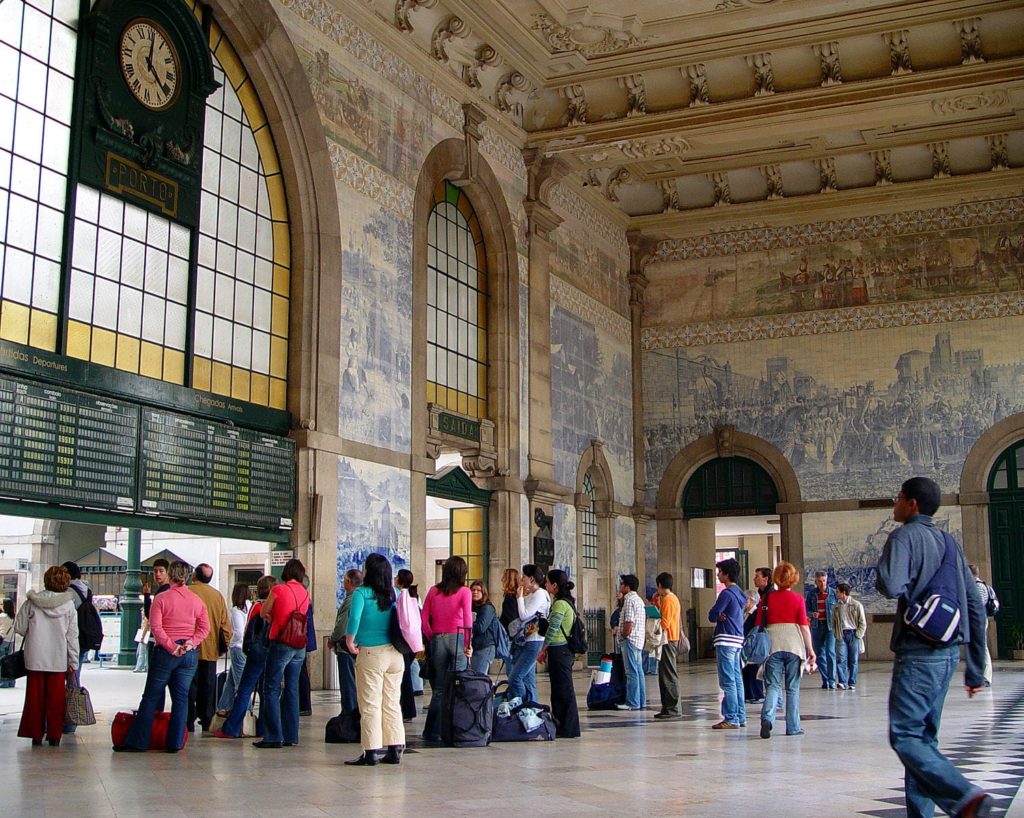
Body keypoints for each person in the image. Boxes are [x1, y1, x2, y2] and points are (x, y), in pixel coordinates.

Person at [876, 476, 991, 818]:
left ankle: (964, 794)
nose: (894, 504)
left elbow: (890, 585)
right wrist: (974, 667)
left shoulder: (902, 537)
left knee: (906, 736)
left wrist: (889, 564)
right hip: (946, 654)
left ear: (912, 504)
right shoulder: (948, 542)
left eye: (898, 498)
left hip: (917, 653)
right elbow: (973, 604)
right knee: (923, 742)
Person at [115, 560, 209, 753]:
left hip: (166, 653)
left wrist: (172, 647)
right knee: (181, 698)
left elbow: (156, 628)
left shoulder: (162, 598)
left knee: (150, 697)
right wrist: (189, 643)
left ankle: (139, 742)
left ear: (171, 575)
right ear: (189, 576)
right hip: (189, 654)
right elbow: (204, 628)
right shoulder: (196, 600)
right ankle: (175, 743)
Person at [344, 553, 405, 766]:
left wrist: (350, 641)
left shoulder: (361, 593)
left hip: (371, 654)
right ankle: (395, 749)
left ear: (368, 571)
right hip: (396, 655)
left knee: (370, 704)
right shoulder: (394, 593)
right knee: (392, 702)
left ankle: (370, 752)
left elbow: (355, 618)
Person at [14, 566, 78, 745]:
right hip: (58, 660)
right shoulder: (69, 605)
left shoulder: (32, 601)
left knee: (34, 699)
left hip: (35, 658)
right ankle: (54, 736)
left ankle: (35, 735)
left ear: (46, 580)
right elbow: (72, 636)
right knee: (56, 700)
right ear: (65, 582)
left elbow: (19, 628)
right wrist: (73, 661)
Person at [255, 558, 309, 749]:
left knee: (271, 688)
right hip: (299, 644)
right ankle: (291, 735)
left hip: (281, 642)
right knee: (292, 689)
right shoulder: (305, 593)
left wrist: (274, 617)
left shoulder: (278, 590)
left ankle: (273, 736)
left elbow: (263, 613)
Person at [758, 561, 816, 739]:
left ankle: (767, 718)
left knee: (773, 686)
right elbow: (804, 627)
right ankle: (793, 726)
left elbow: (758, 623)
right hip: (794, 646)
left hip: (772, 646)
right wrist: (810, 650)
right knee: (792, 688)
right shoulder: (798, 599)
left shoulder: (767, 599)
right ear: (793, 579)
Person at [215, 575, 277, 739]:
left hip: (256, 652)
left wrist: (246, 649)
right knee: (266, 690)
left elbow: (247, 631)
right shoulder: (274, 606)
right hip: (271, 652)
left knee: (244, 688)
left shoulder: (257, 607)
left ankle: (232, 727)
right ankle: (263, 728)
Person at [420, 555, 473, 742]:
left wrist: (431, 635)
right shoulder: (464, 592)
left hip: (438, 639)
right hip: (457, 637)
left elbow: (424, 618)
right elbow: (467, 620)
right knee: (457, 686)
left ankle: (432, 731)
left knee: (440, 689)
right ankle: (453, 728)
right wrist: (468, 644)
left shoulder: (434, 591)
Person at [187, 563, 231, 733]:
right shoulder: (217, 596)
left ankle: (187, 721)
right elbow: (226, 626)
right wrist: (222, 646)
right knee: (208, 688)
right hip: (210, 650)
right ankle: (206, 720)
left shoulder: (187, 592)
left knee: (188, 687)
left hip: (189, 648)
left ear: (194, 576)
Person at [536, 569, 580, 738]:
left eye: (547, 582)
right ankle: (563, 724)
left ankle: (567, 727)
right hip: (561, 650)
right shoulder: (565, 601)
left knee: (563, 689)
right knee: (560, 688)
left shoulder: (560, 604)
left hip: (559, 650)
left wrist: (543, 649)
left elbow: (554, 628)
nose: (545, 585)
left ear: (554, 585)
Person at [708, 558, 746, 729]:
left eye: (720, 572)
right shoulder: (740, 593)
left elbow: (713, 614)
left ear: (727, 574)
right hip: (737, 639)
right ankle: (740, 715)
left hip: (726, 639)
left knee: (727, 680)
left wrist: (719, 614)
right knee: (737, 679)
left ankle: (731, 717)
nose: (718, 575)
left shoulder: (726, 594)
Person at [507, 564, 550, 705]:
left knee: (515, 677)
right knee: (528, 679)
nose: (521, 579)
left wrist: (519, 598)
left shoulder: (540, 594)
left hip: (534, 641)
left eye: (524, 577)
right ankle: (532, 707)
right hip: (527, 640)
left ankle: (520, 705)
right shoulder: (532, 594)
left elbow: (524, 615)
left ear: (531, 579)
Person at [60, 561, 93, 734]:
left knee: (70, 680)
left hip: (73, 639)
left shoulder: (70, 593)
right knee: (75, 676)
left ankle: (70, 721)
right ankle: (71, 721)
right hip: (85, 638)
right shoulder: (86, 589)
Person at [329, 568, 363, 718]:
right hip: (359, 645)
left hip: (346, 647)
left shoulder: (351, 600)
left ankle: (349, 714)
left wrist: (333, 639)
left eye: (344, 580)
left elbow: (342, 624)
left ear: (349, 582)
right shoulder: (361, 597)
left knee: (348, 682)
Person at [216, 583, 252, 715]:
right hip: (246, 648)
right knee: (230, 682)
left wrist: (230, 643)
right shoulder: (250, 606)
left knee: (241, 683)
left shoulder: (236, 610)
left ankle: (247, 712)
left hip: (238, 648)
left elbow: (238, 632)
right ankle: (222, 707)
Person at [653, 572, 682, 720]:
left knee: (669, 673)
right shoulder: (667, 599)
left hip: (669, 639)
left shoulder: (669, 599)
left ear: (660, 585)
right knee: (664, 674)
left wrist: (653, 620)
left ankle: (673, 708)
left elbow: (665, 622)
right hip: (668, 639)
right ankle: (666, 707)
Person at [616, 573, 646, 712]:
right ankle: (641, 700)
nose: (620, 586)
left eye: (622, 584)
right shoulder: (639, 600)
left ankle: (633, 702)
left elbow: (629, 622)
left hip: (630, 640)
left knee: (631, 672)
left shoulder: (629, 600)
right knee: (638, 671)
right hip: (638, 640)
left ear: (627, 586)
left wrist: (623, 635)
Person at [742, 567, 772, 704]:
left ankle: (767, 697)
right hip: (755, 635)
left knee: (761, 667)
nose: (754, 579)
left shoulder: (771, 595)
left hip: (763, 636)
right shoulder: (760, 594)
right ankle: (750, 694)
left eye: (757, 576)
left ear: (765, 579)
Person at [805, 570, 837, 690]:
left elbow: (839, 610)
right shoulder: (812, 594)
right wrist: (812, 614)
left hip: (830, 627)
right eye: (819, 581)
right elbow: (805, 609)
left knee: (830, 652)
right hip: (817, 626)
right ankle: (825, 679)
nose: (822, 583)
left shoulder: (833, 594)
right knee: (819, 654)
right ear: (816, 581)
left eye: (824, 580)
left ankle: (832, 680)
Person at [830, 582, 866, 691]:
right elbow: (833, 622)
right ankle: (842, 682)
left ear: (843, 593)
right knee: (841, 658)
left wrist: (858, 635)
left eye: (837, 592)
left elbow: (862, 622)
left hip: (853, 634)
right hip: (841, 634)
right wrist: (836, 634)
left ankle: (852, 682)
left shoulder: (856, 605)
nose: (836, 594)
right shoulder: (836, 607)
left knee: (853, 660)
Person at [395, 569, 419, 721]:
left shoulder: (402, 596)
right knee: (405, 675)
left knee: (404, 677)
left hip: (405, 642)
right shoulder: (412, 596)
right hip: (412, 642)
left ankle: (408, 710)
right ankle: (408, 710)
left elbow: (404, 622)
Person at [968, 564, 997, 687]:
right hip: (977, 621)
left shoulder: (978, 587)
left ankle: (986, 676)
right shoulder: (975, 586)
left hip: (978, 621)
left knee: (982, 647)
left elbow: (977, 605)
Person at [469, 579, 497, 675]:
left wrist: (466, 624)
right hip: (474, 647)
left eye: (478, 590)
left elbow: (481, 627)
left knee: (479, 678)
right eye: (473, 590)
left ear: (483, 592)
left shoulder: (487, 608)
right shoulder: (470, 607)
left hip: (485, 647)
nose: (475, 592)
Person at [0, 598, 16, 689]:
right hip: (10, 641)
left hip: (2, 640)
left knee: (2, 662)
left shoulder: (2, 616)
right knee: (9, 662)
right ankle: (11, 682)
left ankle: (3, 682)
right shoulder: (13, 617)